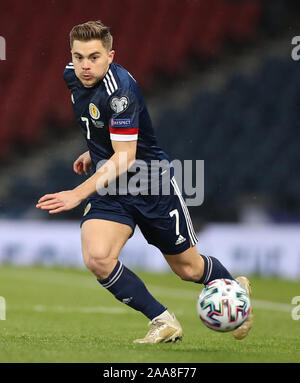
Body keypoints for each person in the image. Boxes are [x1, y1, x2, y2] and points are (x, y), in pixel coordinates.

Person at [36, 20, 253, 343]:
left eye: (94, 57)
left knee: (189, 270)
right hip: (111, 187)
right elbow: (97, 122)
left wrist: (77, 194)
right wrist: (92, 149)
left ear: (111, 56)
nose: (84, 65)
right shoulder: (73, 75)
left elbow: (125, 157)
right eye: (78, 56)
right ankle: (163, 320)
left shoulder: (121, 91)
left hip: (150, 184)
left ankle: (237, 296)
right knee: (97, 257)